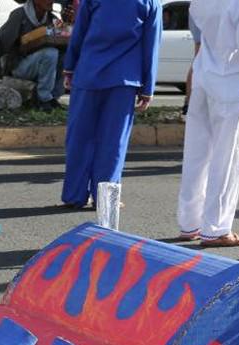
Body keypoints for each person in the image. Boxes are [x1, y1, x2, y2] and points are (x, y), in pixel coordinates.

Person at [175, 0, 239, 247]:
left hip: (204, 71)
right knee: (227, 157)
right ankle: (217, 228)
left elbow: (196, 15)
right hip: (231, 78)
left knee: (197, 154)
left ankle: (190, 222)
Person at [60, 0, 161, 209]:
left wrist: (69, 67)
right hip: (124, 79)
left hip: (88, 73)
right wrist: (148, 87)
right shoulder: (150, 1)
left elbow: (79, 32)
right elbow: (151, 44)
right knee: (113, 141)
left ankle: (74, 194)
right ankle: (105, 198)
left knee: (79, 137)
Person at [0, 0, 64, 110]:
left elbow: (63, 38)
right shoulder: (19, 15)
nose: (51, 1)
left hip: (38, 65)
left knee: (63, 55)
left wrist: (66, 23)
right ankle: (43, 99)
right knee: (50, 53)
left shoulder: (52, 19)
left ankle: (53, 97)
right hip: (19, 66)